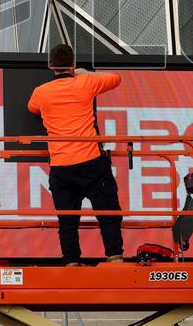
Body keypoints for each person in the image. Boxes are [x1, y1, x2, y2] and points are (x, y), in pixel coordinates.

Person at [27, 43, 124, 267]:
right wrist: (83, 72)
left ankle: (71, 263)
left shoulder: (41, 92)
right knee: (108, 213)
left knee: (67, 220)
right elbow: (116, 78)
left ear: (51, 66)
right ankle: (115, 258)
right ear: (72, 64)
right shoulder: (86, 82)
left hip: (61, 167)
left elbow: (32, 108)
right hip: (91, 162)